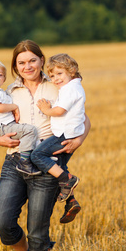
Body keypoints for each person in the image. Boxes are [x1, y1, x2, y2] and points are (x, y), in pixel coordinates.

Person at [0, 40, 91, 251]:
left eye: (32, 60)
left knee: (38, 232)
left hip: (47, 162)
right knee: (3, 222)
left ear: (41, 60)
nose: (28, 66)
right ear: (15, 66)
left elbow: (83, 118)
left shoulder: (58, 84)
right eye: (21, 62)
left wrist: (79, 139)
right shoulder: (8, 92)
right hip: (14, 162)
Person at [32, 53, 85, 204]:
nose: (56, 79)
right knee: (59, 164)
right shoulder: (73, 87)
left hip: (64, 134)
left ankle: (67, 180)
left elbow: (60, 110)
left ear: (72, 70)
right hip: (71, 133)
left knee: (37, 155)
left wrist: (46, 109)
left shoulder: (70, 89)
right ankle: (71, 201)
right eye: (52, 76)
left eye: (59, 74)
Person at [0, 58, 41, 175]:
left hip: (5, 125)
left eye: (0, 75)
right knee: (30, 131)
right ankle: (25, 162)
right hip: (3, 126)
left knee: (28, 133)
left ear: (4, 79)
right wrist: (14, 107)